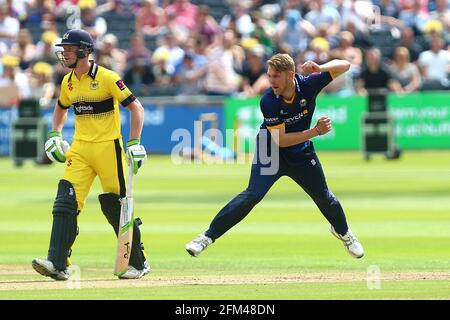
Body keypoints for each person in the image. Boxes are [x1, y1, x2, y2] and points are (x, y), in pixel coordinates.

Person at [186, 53, 364, 259]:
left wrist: (320, 68)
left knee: (324, 196)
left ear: (290, 75)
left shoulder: (308, 84)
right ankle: (206, 237)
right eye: (269, 76)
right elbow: (281, 140)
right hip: (270, 150)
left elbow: (346, 65)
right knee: (252, 195)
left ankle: (344, 233)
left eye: (276, 77)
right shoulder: (269, 101)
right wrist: (315, 131)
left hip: (300, 153)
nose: (271, 81)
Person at [32, 29, 150, 281]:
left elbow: (136, 108)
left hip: (109, 149)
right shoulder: (68, 81)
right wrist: (55, 134)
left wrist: (135, 142)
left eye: (69, 49)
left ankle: (138, 262)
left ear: (85, 51)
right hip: (80, 150)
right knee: (65, 201)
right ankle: (58, 262)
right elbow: (61, 107)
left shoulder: (108, 78)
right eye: (63, 50)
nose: (64, 54)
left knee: (115, 205)